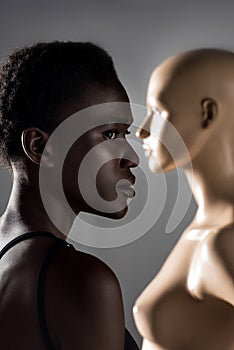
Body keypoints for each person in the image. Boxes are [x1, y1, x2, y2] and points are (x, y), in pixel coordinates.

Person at [0, 41, 139, 349]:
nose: (131, 158)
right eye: (109, 134)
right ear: (39, 146)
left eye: (124, 134)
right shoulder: (83, 282)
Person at [134, 49, 234, 349]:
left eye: (160, 111)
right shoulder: (207, 226)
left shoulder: (225, 240)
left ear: (207, 114)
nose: (142, 130)